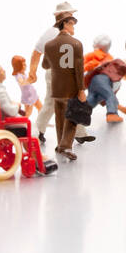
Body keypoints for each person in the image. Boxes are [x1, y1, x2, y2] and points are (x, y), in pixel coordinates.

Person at [26, 1, 88, 146]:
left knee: (61, 103)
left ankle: (78, 132)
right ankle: (40, 130)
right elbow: (37, 52)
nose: (73, 17)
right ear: (63, 18)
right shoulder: (53, 33)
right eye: (70, 15)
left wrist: (33, 71)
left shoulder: (56, 33)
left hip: (61, 73)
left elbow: (37, 52)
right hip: (57, 74)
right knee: (56, 103)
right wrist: (32, 72)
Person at [42, 12, 86, 161]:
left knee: (60, 116)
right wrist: (81, 89)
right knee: (72, 117)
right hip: (71, 87)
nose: (74, 27)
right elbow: (79, 70)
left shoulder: (49, 45)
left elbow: (45, 65)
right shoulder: (76, 43)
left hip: (56, 87)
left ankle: (60, 143)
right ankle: (66, 146)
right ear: (65, 23)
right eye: (72, 23)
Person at [83, 34, 126, 124]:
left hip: (92, 82)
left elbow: (108, 99)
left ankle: (78, 113)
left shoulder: (109, 61)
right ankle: (112, 114)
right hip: (101, 78)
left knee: (93, 98)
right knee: (109, 95)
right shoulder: (119, 65)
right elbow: (110, 96)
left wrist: (122, 108)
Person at [11, 55, 41, 124]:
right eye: (23, 65)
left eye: (25, 64)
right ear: (18, 67)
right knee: (27, 114)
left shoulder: (23, 73)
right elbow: (22, 83)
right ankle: (22, 123)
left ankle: (40, 122)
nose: (25, 66)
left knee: (40, 108)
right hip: (28, 97)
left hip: (33, 95)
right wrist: (30, 80)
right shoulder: (19, 75)